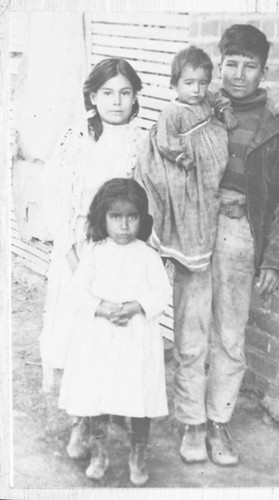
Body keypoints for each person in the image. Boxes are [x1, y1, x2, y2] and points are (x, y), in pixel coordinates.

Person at [170, 25, 279, 465]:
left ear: (264, 70)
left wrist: (276, 260)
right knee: (191, 332)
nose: (240, 74)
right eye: (232, 64)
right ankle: (191, 422)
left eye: (250, 66)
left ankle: (218, 423)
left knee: (230, 335)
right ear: (219, 64)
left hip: (239, 234)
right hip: (195, 231)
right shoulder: (194, 109)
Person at [40, 57, 145, 393]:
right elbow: (55, 198)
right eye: (108, 92)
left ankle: (111, 404)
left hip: (122, 246)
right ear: (93, 97)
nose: (117, 101)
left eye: (125, 93)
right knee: (80, 323)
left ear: (135, 97)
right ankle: (82, 417)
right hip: (80, 246)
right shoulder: (77, 137)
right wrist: (71, 256)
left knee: (116, 328)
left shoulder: (142, 143)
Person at [58, 178, 171, 484]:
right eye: (115, 217)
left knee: (138, 399)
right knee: (97, 396)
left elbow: (162, 294)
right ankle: (99, 453)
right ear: (102, 218)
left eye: (131, 217)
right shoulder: (94, 253)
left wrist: (135, 306)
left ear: (142, 219)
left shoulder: (148, 255)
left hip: (136, 338)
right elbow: (78, 291)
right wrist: (103, 307)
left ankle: (138, 454)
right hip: (100, 337)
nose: (123, 226)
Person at [136, 46, 237, 272]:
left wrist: (226, 112)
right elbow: (165, 140)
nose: (197, 90)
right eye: (189, 83)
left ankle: (198, 248)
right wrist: (180, 158)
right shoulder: (173, 112)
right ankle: (180, 246)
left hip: (209, 167)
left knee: (208, 198)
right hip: (187, 165)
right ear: (175, 84)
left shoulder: (206, 99)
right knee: (189, 200)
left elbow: (218, 98)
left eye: (202, 83)